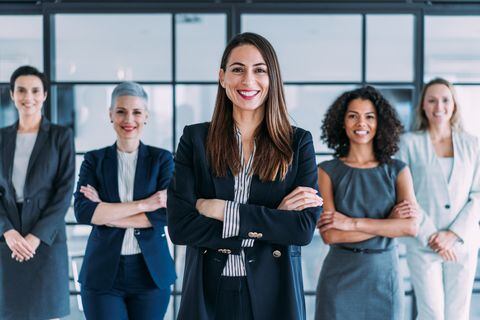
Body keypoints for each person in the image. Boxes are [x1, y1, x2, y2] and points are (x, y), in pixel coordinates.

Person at [167, 32, 323, 320]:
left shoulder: (298, 143)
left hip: (274, 293)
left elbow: (301, 229)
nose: (248, 81)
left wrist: (221, 210)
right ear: (222, 77)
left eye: (259, 70)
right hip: (207, 291)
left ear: (272, 78)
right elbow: (180, 227)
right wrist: (273, 218)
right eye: (238, 69)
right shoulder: (195, 139)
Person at [315, 86, 419, 320]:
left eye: (369, 116)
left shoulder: (398, 170)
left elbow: (410, 227)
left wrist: (351, 224)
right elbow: (330, 236)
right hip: (339, 277)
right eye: (353, 116)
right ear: (342, 122)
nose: (361, 123)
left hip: (384, 278)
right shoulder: (327, 171)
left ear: (380, 123)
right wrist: (388, 224)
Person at [74, 81, 176, 320]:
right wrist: (144, 205)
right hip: (102, 273)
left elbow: (166, 215)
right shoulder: (93, 160)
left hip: (151, 272)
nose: (129, 119)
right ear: (110, 115)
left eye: (137, 112)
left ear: (146, 116)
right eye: (121, 111)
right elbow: (84, 212)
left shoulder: (162, 160)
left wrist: (108, 214)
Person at [396, 78, 480, 320]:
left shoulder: (473, 144)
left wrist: (452, 235)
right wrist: (433, 236)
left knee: (458, 314)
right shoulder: (408, 143)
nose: (438, 106)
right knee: (431, 313)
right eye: (431, 100)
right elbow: (404, 195)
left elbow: (477, 194)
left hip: (461, 243)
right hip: (424, 242)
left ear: (454, 105)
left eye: (445, 100)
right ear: (423, 105)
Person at [0, 65, 74, 320]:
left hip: (46, 241)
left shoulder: (60, 136)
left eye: (34, 90)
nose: (27, 97)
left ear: (44, 95)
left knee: (47, 314)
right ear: (12, 95)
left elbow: (64, 193)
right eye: (21, 90)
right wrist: (6, 231)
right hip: (8, 239)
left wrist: (35, 237)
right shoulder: (1, 138)